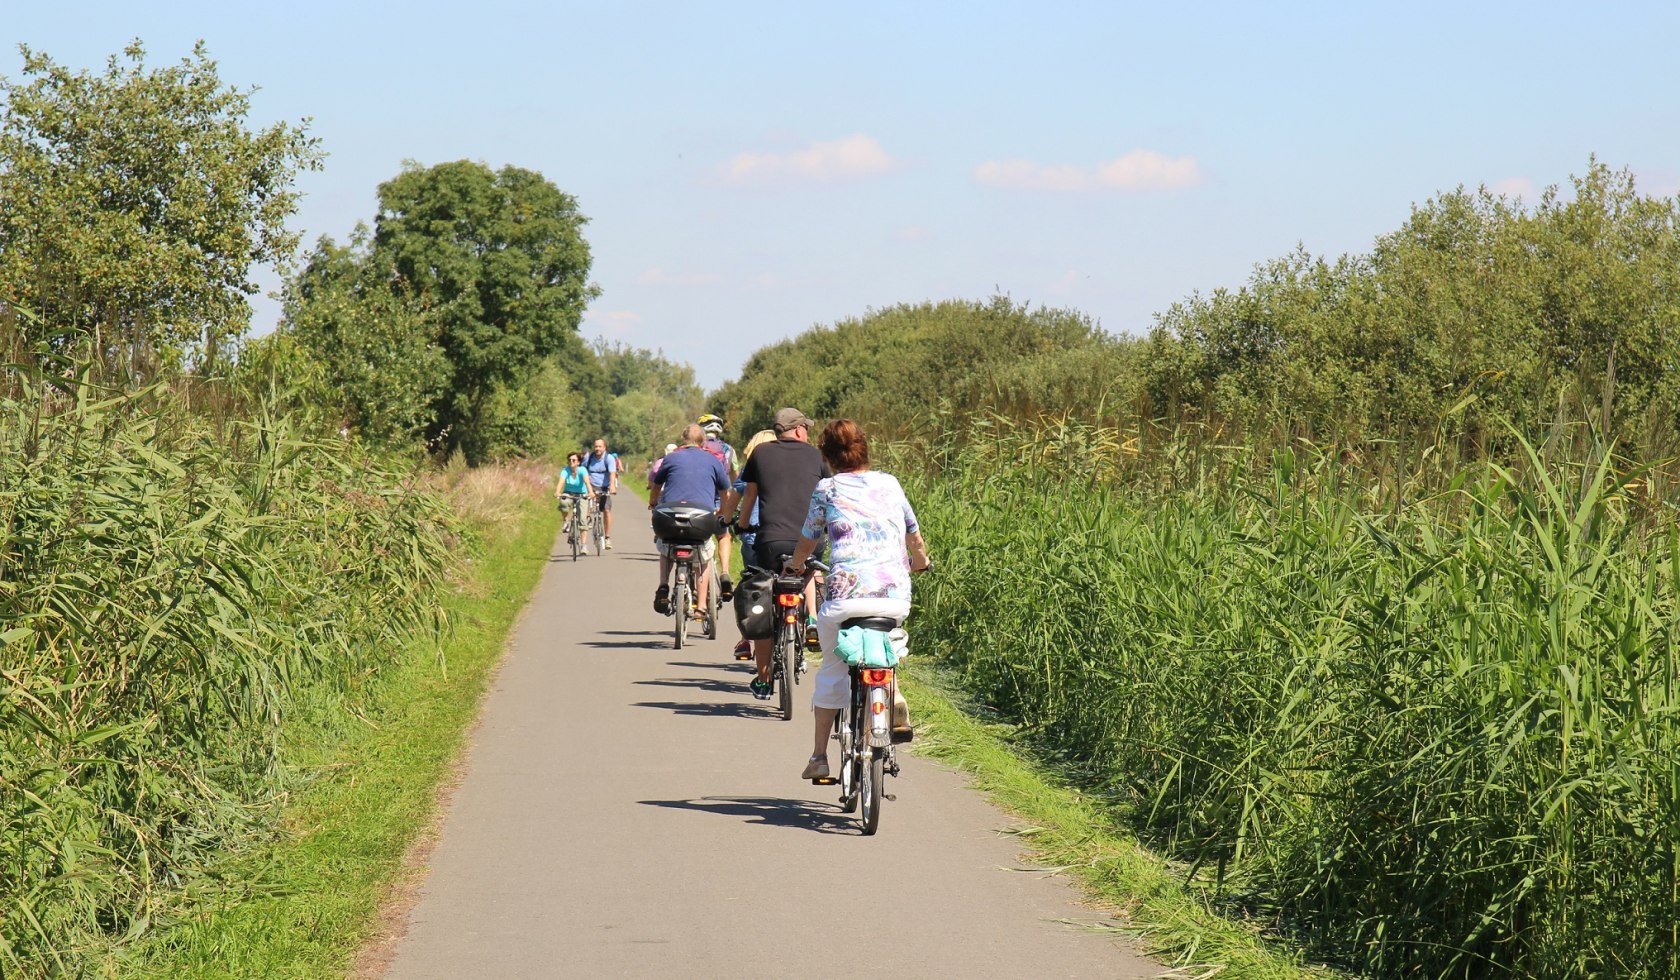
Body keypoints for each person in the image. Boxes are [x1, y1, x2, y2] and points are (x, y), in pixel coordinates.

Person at [785, 419, 929, 780]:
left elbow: (808, 539)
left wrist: (797, 563)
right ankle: (890, 690)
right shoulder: (890, 484)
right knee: (890, 644)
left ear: (828, 456)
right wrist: (921, 562)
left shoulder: (827, 488)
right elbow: (914, 535)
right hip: (892, 597)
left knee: (833, 669)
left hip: (846, 598)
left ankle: (819, 756)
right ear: (865, 449)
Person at [731, 408, 830, 700]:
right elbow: (827, 493)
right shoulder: (816, 456)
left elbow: (750, 495)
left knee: (765, 603)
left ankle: (762, 680)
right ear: (799, 430)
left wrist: (742, 523)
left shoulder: (760, 453)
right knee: (808, 569)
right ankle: (811, 619)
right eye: (806, 428)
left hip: (770, 542)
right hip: (810, 540)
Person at [648, 425, 729, 618]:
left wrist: (653, 504)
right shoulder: (713, 460)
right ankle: (701, 606)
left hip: (671, 515)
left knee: (665, 545)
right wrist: (721, 512)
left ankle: (663, 585)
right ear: (703, 441)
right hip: (701, 517)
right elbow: (726, 493)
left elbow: (656, 487)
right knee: (704, 554)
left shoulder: (671, 458)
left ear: (683, 440)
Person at [730, 428, 777, 660]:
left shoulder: (748, 471)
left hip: (754, 535)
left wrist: (730, 521)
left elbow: (735, 499)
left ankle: (747, 639)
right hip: (784, 535)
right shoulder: (786, 469)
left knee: (752, 586)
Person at [696, 413, 739, 600]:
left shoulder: (696, 448)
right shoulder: (728, 450)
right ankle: (726, 572)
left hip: (698, 499)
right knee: (723, 535)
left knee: (697, 541)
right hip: (720, 500)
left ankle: (696, 584)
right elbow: (735, 478)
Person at [581, 438, 620, 549]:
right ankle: (587, 518)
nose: (597, 449)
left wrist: (612, 486)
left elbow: (612, 473)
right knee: (587, 503)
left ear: (604, 447)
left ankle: (607, 538)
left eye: (600, 446)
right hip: (591, 486)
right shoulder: (589, 458)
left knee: (606, 510)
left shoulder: (609, 458)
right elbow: (583, 470)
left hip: (604, 487)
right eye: (596, 446)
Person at [554, 451, 592, 549]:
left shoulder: (582, 470)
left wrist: (590, 493)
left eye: (574, 460)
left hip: (581, 494)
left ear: (578, 462)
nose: (571, 462)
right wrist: (558, 492)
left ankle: (584, 545)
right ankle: (566, 522)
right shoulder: (565, 470)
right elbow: (561, 482)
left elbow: (587, 482)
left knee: (583, 519)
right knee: (563, 502)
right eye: (569, 460)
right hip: (568, 493)